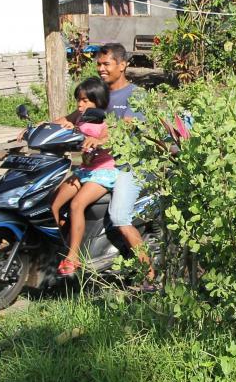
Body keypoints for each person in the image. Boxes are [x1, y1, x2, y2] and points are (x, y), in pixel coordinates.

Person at [94, 43, 156, 286]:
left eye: (106, 64)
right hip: (103, 162)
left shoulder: (136, 95)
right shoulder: (99, 93)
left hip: (131, 165)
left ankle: (149, 276)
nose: (101, 69)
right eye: (99, 64)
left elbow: (127, 124)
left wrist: (99, 137)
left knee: (119, 216)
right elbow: (78, 114)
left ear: (122, 65)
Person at [49, 77, 117, 276]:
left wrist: (97, 140)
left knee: (76, 204)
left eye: (85, 101)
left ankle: (73, 257)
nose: (80, 104)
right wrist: (41, 127)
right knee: (53, 204)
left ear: (98, 101)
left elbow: (108, 137)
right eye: (78, 100)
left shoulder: (106, 119)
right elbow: (61, 122)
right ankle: (55, 245)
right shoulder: (79, 117)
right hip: (84, 170)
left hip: (104, 172)